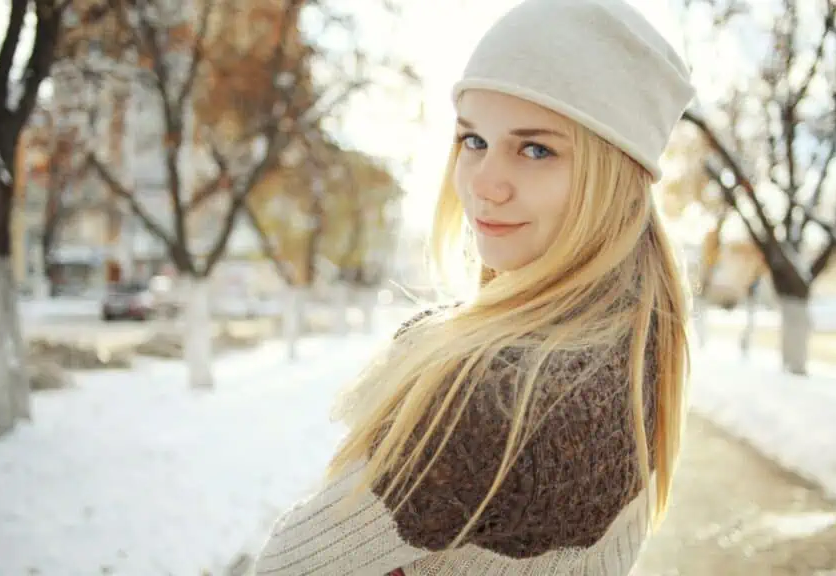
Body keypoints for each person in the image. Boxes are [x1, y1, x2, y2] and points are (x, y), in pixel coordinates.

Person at [252, 0, 695, 573]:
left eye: (536, 149)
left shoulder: (506, 389)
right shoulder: (636, 341)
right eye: (474, 140)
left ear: (613, 176)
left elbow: (287, 567)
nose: (484, 183)